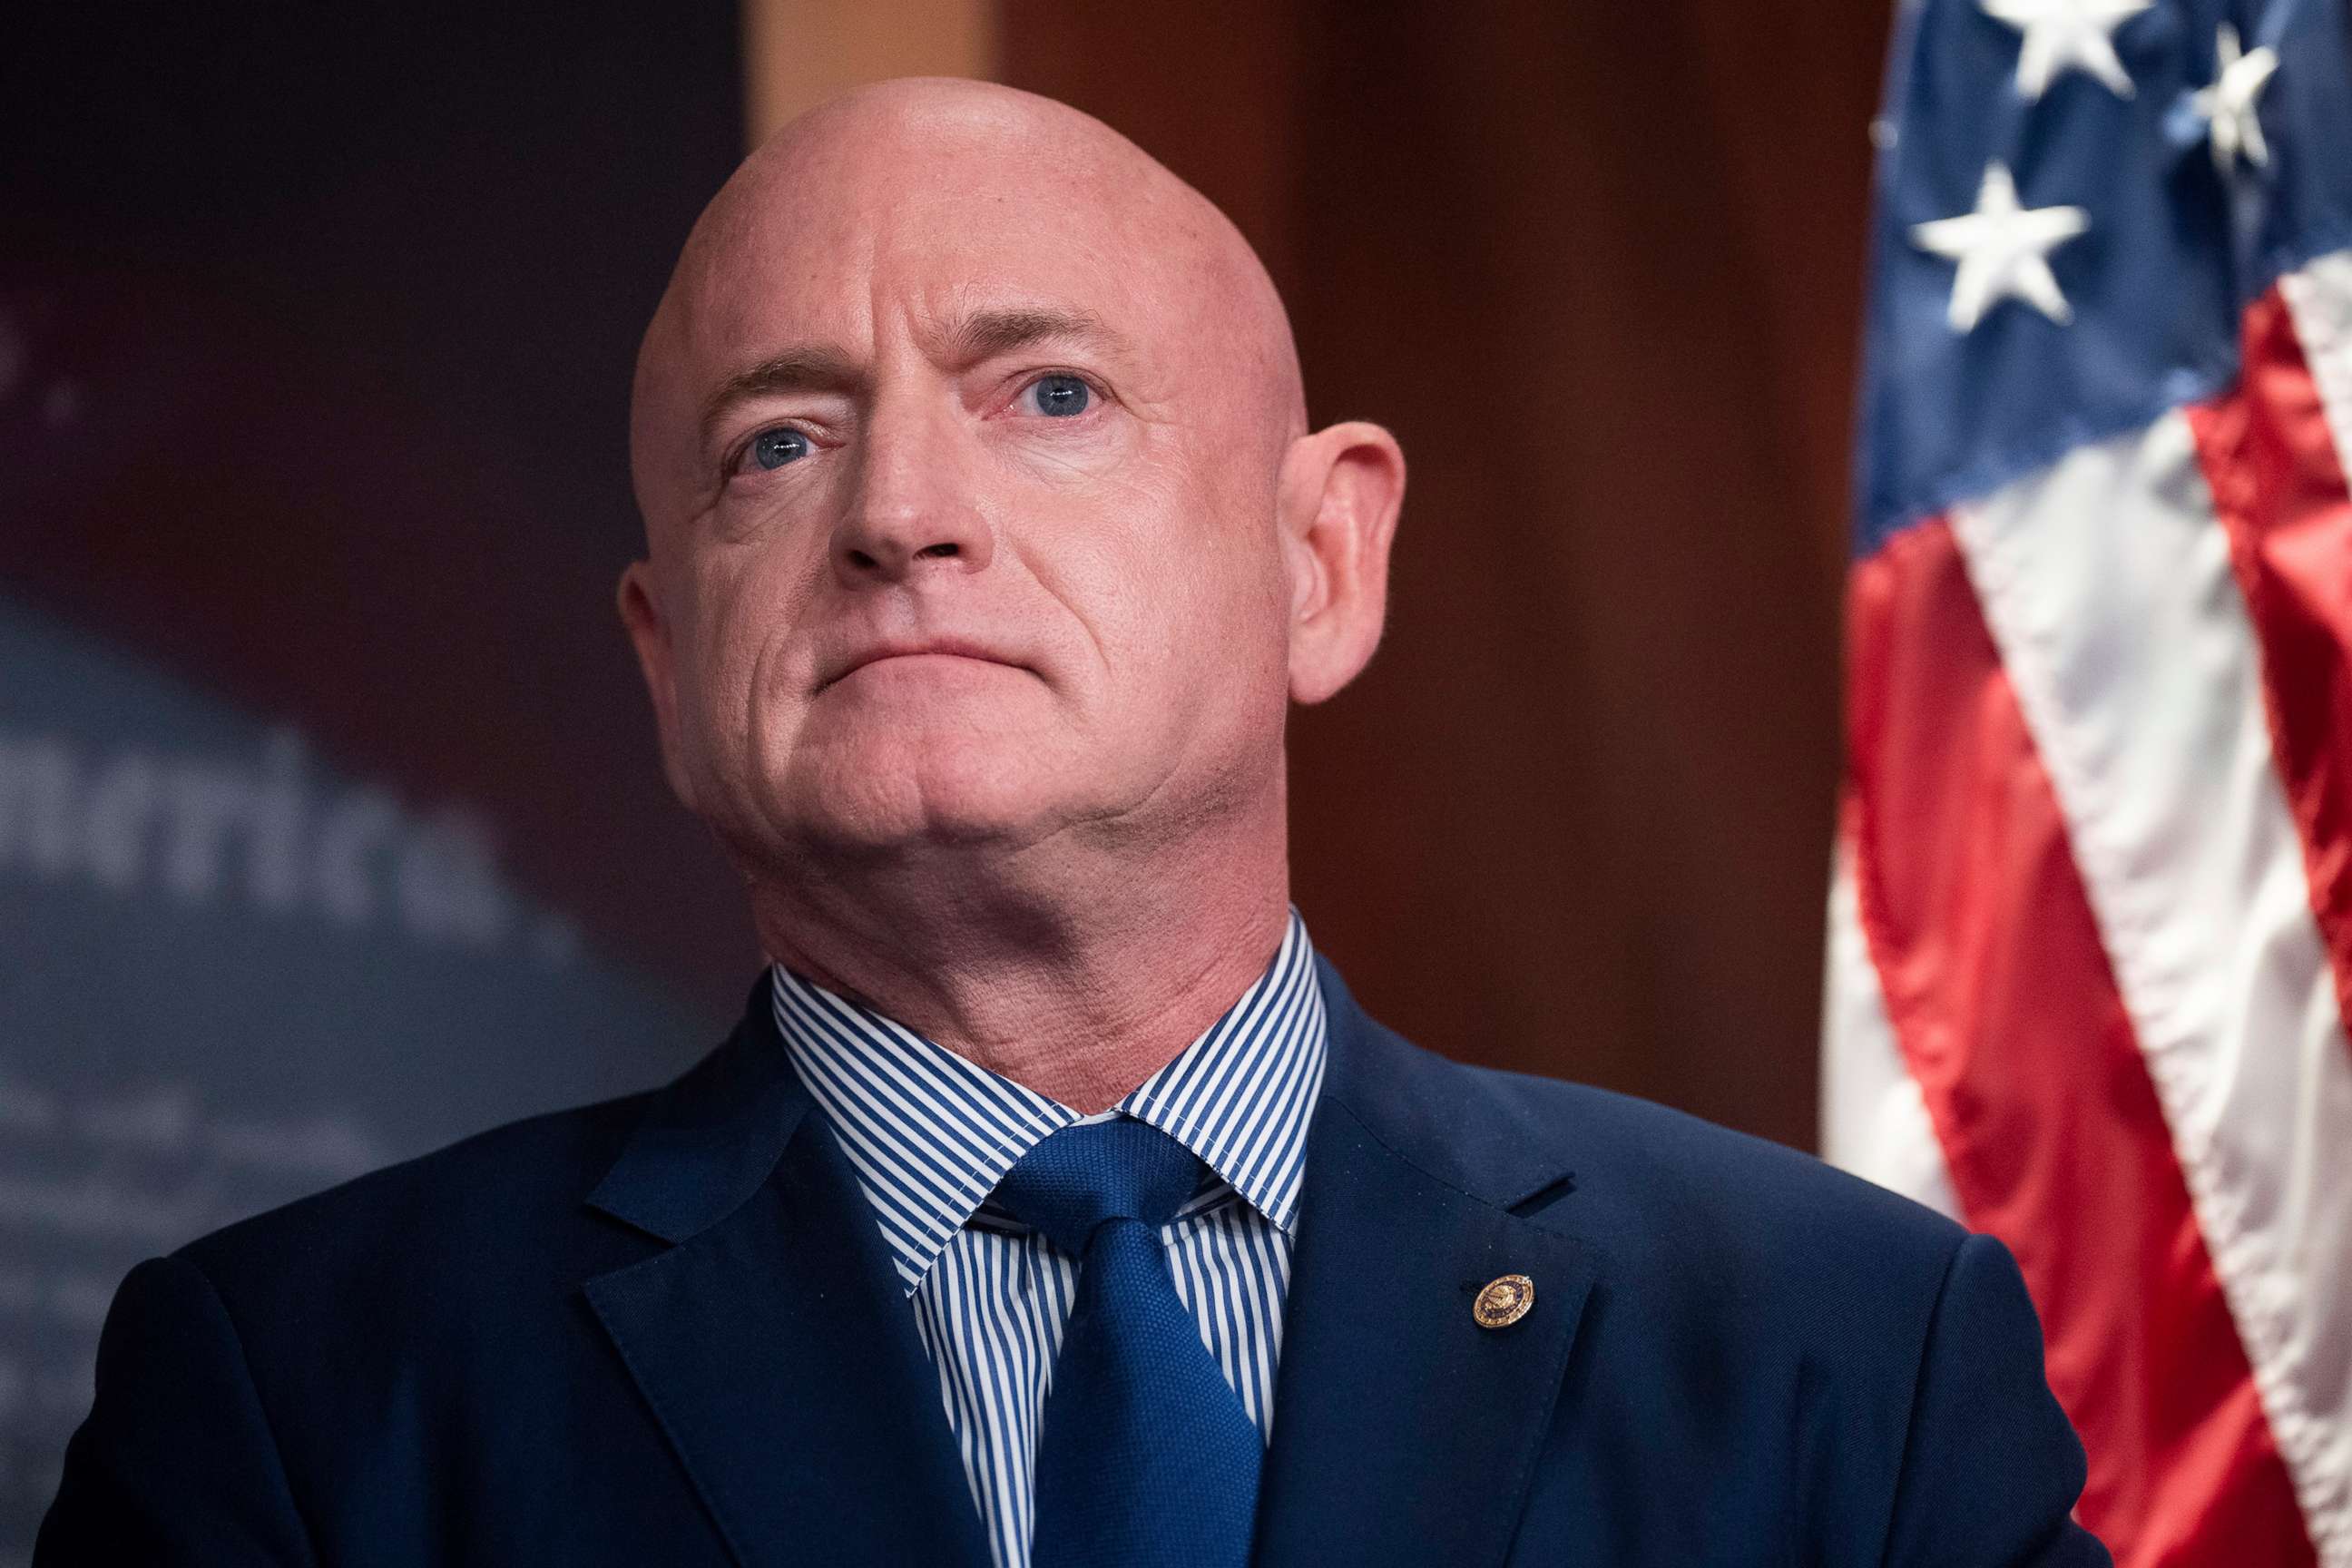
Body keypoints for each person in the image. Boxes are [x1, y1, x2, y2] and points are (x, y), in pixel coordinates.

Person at [36, 78, 2108, 1567]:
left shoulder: (1855, 1358)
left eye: (1049, 398)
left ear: (1323, 566)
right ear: (671, 664)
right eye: (780, 438)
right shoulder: (302, 1401)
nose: (900, 514)